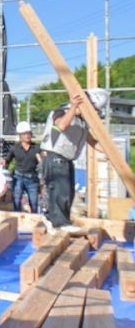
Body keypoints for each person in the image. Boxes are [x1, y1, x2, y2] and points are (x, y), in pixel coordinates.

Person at [40, 89, 106, 230]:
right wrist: (74, 107)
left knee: (68, 192)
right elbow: (61, 125)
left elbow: (92, 141)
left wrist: (108, 152)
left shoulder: (82, 122)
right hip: (54, 156)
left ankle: (52, 220)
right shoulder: (61, 112)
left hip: (67, 159)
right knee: (59, 189)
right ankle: (60, 223)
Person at [3, 120, 42, 212]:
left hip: (32, 179)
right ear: (20, 136)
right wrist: (4, 161)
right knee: (16, 200)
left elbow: (42, 162)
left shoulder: (36, 148)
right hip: (18, 177)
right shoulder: (15, 148)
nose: (27, 136)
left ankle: (33, 221)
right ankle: (17, 221)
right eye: (24, 134)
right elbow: (7, 159)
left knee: (34, 203)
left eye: (29, 133)